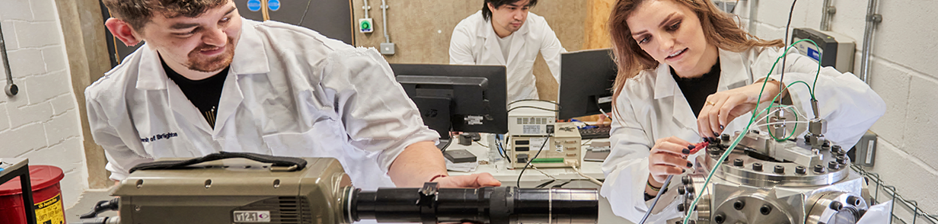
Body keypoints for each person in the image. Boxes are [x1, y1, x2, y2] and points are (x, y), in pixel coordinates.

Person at [87, 0, 499, 190]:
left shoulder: (327, 61)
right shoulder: (112, 101)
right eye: (186, 29)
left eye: (226, 16)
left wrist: (434, 185)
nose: (217, 38)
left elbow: (399, 143)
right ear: (127, 32)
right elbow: (135, 184)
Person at [599, 0, 886, 222]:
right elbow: (616, 183)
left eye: (672, 26)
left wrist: (772, 88)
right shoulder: (636, 94)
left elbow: (866, 103)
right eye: (645, 39)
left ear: (699, 11)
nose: (664, 45)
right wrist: (651, 176)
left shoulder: (766, 64)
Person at [449, 0, 567, 104]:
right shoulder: (466, 32)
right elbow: (464, 86)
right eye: (512, 8)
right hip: (484, 108)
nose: (519, 17)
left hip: (524, 105)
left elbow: (563, 69)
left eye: (525, 8)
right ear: (491, 6)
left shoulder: (538, 26)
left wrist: (568, 108)